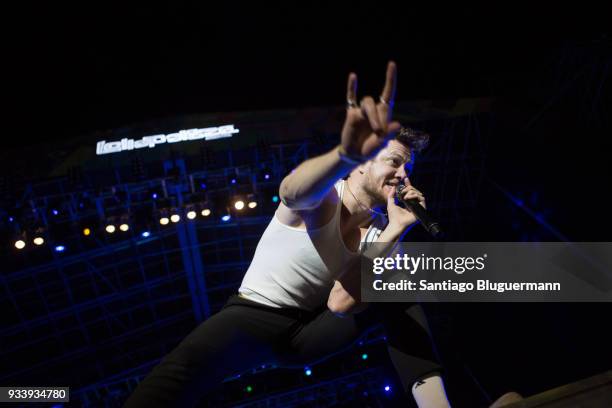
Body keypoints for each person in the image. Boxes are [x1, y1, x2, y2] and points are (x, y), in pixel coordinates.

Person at [124, 61, 453, 407]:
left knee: (397, 286)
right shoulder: (328, 195)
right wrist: (344, 155)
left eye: (409, 168)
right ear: (363, 162)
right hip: (256, 314)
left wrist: (397, 229)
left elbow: (340, 303)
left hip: (309, 334)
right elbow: (293, 191)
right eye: (395, 161)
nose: (404, 175)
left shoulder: (382, 234)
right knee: (184, 368)